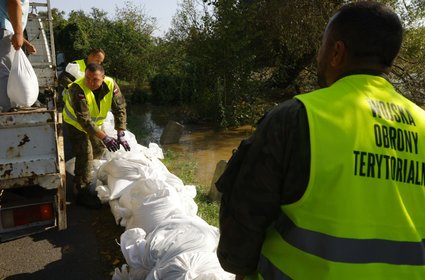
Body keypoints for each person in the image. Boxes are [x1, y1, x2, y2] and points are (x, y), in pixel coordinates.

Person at [217, 1, 425, 279]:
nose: (319, 56)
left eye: (323, 46)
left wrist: (239, 269)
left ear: (337, 52)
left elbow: (244, 220)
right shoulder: (422, 124)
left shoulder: (296, 117)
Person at [63, 62, 130, 209]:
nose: (90, 82)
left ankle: (90, 175)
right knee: (85, 154)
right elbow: (84, 120)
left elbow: (120, 108)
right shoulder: (77, 88)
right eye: (88, 78)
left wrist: (121, 132)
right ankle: (80, 190)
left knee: (99, 149)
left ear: (103, 77)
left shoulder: (111, 84)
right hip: (76, 125)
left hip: (94, 125)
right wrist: (105, 137)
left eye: (95, 80)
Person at [0, 0, 36, 112]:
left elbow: (10, 19)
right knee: (5, 71)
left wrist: (25, 42)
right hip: (3, 31)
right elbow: (13, 3)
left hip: (5, 30)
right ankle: (8, 109)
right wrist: (19, 34)